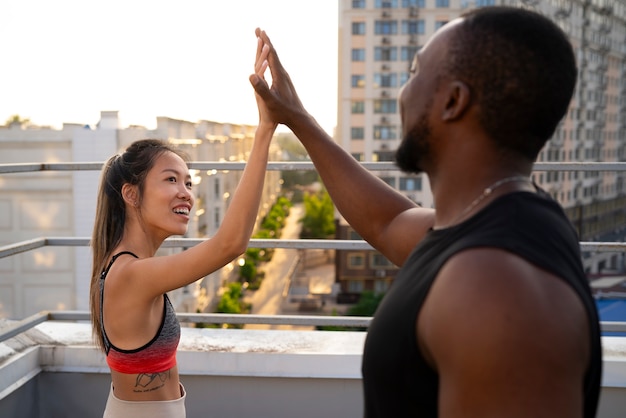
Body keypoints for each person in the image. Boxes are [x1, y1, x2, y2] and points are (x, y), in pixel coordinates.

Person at [250, 6, 601, 418]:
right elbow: (387, 222)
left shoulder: (496, 289)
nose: (403, 92)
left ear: (453, 101)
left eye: (415, 72)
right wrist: (298, 118)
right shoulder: (497, 220)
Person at [89, 37, 275, 418]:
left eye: (189, 182)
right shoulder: (131, 274)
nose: (186, 193)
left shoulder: (129, 266)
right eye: (171, 180)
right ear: (132, 194)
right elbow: (231, 244)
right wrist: (265, 130)